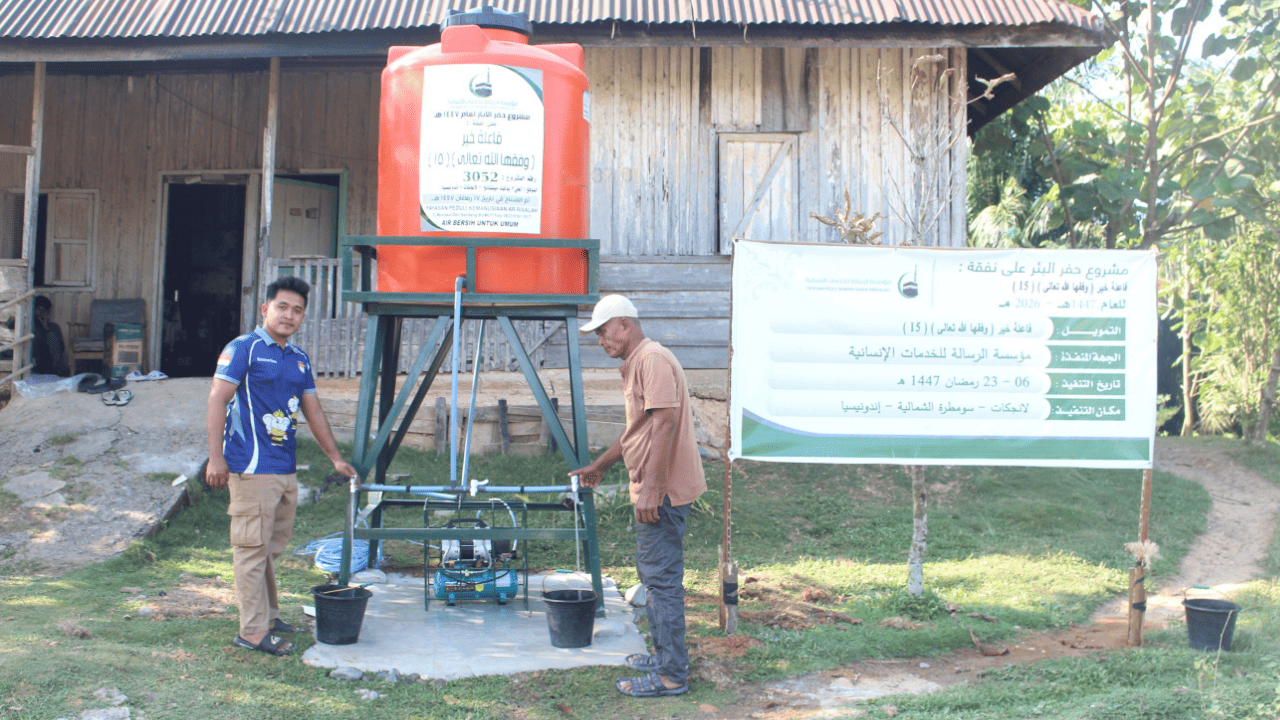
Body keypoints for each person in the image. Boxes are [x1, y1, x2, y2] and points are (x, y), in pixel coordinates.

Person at [205, 275, 357, 657]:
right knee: (251, 550)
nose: (289, 315)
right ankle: (252, 632)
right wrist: (216, 458)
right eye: (282, 307)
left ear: (303, 316)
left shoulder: (298, 359)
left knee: (270, 549)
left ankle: (270, 617)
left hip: (285, 468)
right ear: (265, 309)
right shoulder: (244, 349)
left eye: (297, 310)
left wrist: (336, 458)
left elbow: (313, 410)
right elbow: (217, 399)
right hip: (251, 466)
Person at [570, 294, 707, 698]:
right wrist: (601, 465)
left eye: (603, 332)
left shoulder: (652, 359)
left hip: (662, 493)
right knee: (654, 577)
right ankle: (665, 658)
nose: (601, 341)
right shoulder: (640, 362)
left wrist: (652, 488)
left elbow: (664, 422)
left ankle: (671, 675)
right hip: (656, 489)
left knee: (661, 582)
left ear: (624, 324)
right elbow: (639, 430)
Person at [31, 296, 70, 376]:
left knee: (51, 335)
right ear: (34, 310)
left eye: (44, 311)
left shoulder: (53, 327)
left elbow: (61, 348)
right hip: (35, 362)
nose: (41, 313)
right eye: (39, 310)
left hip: (51, 364)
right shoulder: (30, 326)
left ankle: (58, 370)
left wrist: (46, 328)